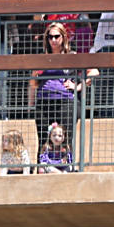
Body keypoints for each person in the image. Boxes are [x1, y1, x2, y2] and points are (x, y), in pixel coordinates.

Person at [29, 22, 95, 165]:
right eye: (50, 37)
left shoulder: (72, 56)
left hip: (66, 101)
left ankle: (67, 167)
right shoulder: (43, 58)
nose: (53, 40)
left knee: (65, 137)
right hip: (44, 101)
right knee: (43, 138)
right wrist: (35, 73)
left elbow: (94, 71)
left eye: (56, 36)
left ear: (63, 37)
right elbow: (33, 84)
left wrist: (77, 86)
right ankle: (42, 168)